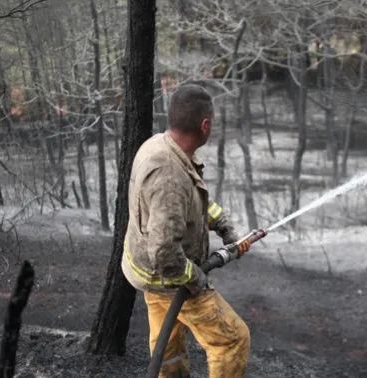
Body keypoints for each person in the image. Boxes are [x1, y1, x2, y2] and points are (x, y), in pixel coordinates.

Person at [121, 84, 252, 378]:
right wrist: (196, 278)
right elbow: (166, 255)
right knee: (232, 340)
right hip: (167, 277)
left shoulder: (163, 146)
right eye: (213, 122)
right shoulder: (169, 174)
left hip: (146, 273)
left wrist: (227, 230)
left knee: (168, 348)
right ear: (204, 125)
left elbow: (193, 201)